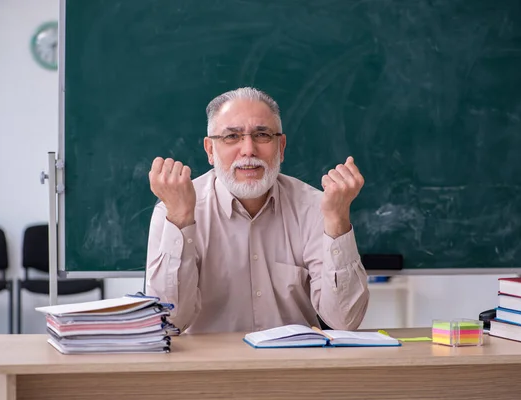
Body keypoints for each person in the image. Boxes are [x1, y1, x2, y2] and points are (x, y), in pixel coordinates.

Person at [145, 87, 370, 334]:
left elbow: (345, 321)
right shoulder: (176, 208)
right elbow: (167, 322)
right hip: (207, 369)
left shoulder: (315, 208)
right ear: (210, 150)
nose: (249, 150)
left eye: (262, 135)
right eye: (232, 137)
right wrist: (179, 219)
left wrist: (338, 220)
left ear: (281, 146)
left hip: (293, 366)